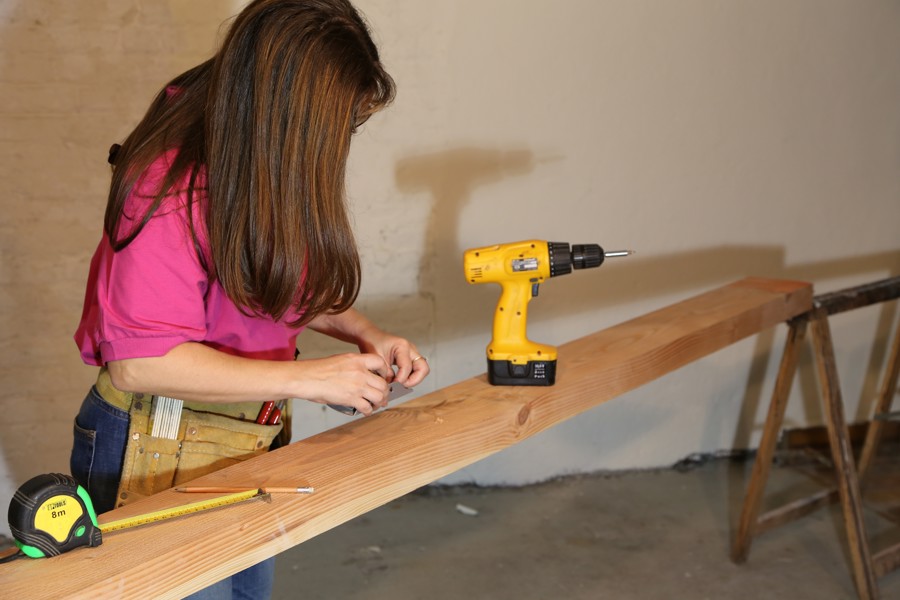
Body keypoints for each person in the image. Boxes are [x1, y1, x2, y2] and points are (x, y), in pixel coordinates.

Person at [70, 1, 428, 597]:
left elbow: (275, 279)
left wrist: (368, 334)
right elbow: (142, 363)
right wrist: (311, 380)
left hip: (245, 432)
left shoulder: (259, 167)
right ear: (288, 116)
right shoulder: (166, 187)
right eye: (339, 127)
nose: (340, 144)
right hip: (154, 439)